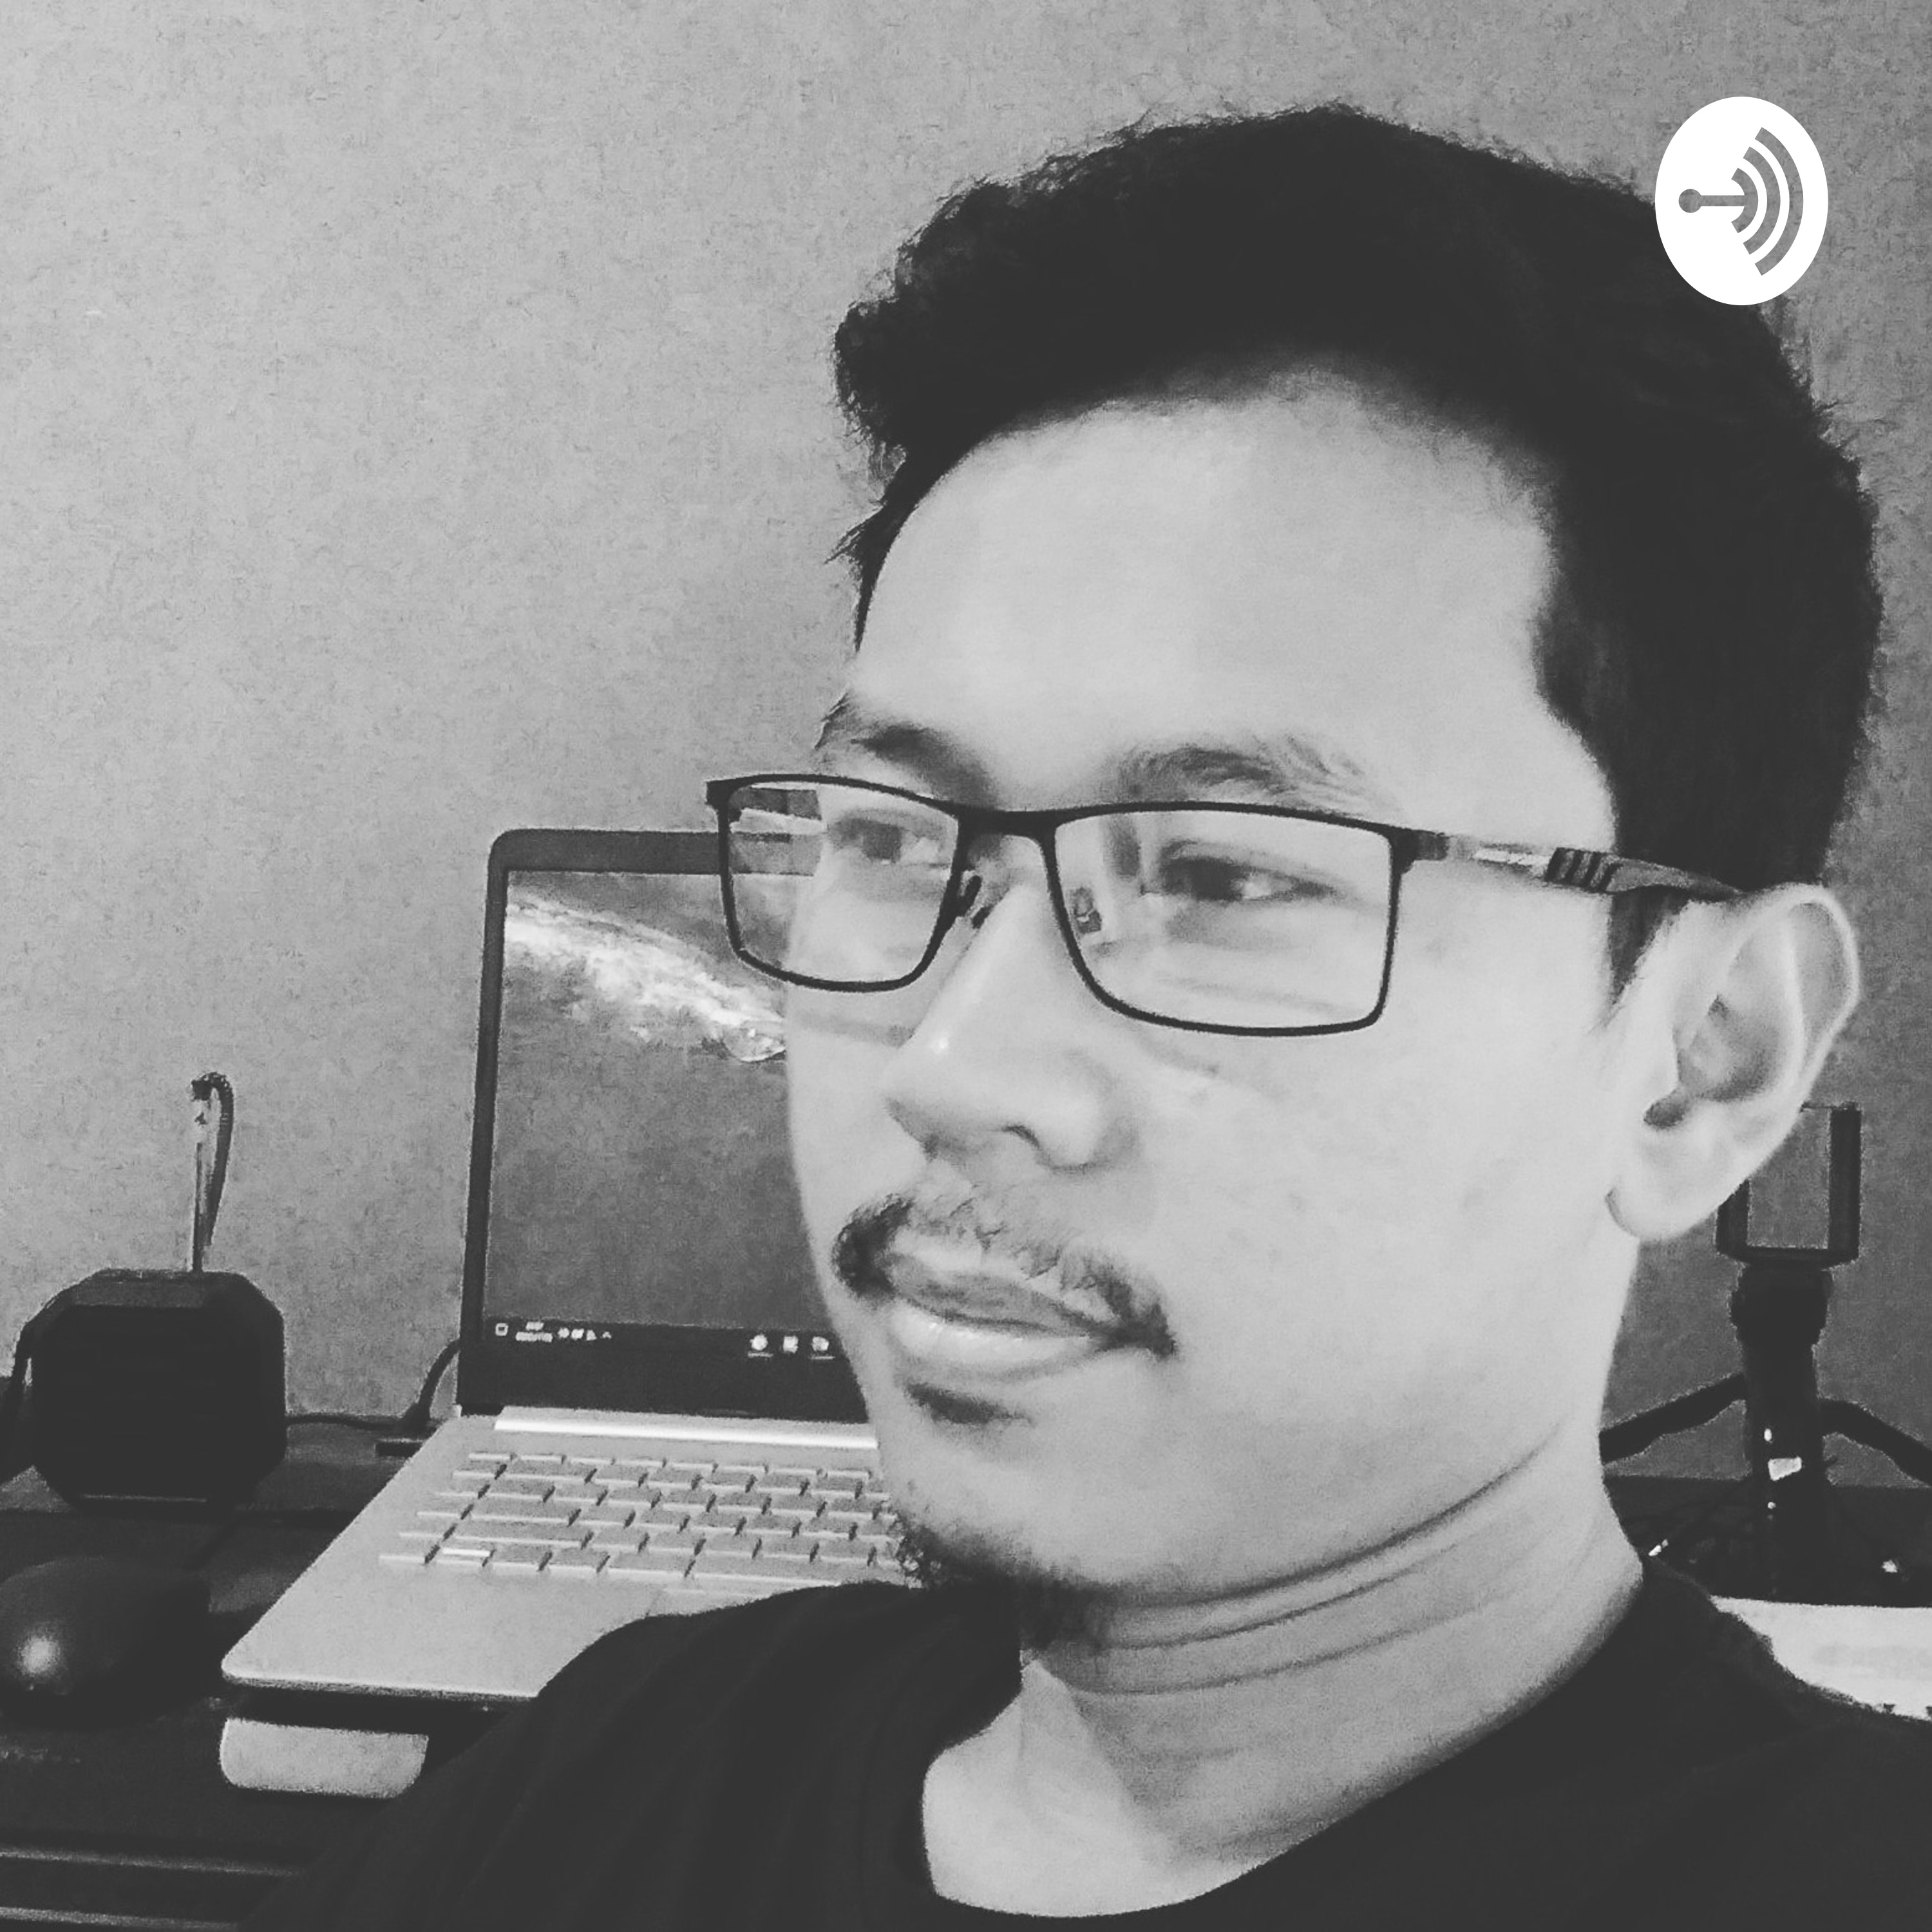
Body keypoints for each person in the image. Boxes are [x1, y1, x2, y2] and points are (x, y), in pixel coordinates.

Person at [249, 105, 1932, 1929]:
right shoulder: (625, 1769)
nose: (955, 1069)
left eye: (1225, 876)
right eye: (893, 837)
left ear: (1708, 1061)